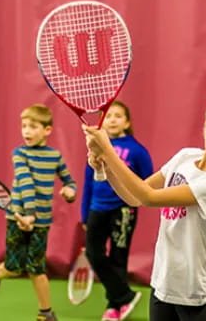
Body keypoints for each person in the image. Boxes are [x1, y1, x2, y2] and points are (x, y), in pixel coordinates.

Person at [84, 89, 206, 321]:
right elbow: (134, 197)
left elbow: (149, 196)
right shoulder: (185, 157)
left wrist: (108, 151)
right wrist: (106, 168)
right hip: (162, 283)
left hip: (194, 291)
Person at [0, 103, 77, 321]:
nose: (26, 131)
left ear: (47, 130)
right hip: (18, 218)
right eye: (24, 126)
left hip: (42, 222)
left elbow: (69, 181)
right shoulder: (19, 154)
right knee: (15, 268)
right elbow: (25, 182)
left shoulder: (55, 156)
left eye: (33, 126)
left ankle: (45, 313)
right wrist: (27, 214)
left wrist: (70, 191)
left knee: (37, 267)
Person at [80, 101, 153, 321]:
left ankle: (114, 308)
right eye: (108, 115)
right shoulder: (96, 148)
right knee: (94, 253)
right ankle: (124, 296)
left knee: (118, 259)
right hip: (96, 209)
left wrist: (138, 199)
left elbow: (148, 182)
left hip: (123, 210)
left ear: (127, 122)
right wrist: (85, 214)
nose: (112, 119)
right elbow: (88, 182)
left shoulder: (137, 151)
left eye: (118, 116)